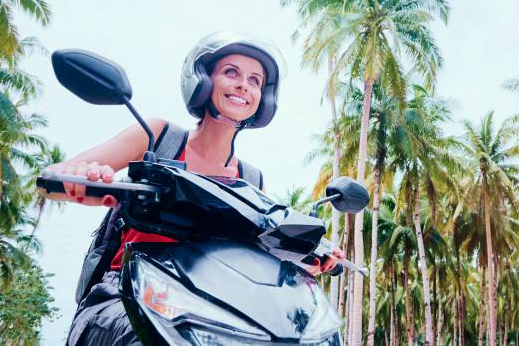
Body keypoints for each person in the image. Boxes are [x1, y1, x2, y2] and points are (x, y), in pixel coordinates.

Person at [44, 32, 344, 345]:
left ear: (263, 99)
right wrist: (84, 178)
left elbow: (264, 245)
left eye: (255, 80)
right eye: (231, 72)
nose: (244, 85)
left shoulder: (251, 181)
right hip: (125, 295)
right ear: (202, 80)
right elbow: (55, 176)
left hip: (205, 310)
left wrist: (313, 252)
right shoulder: (159, 138)